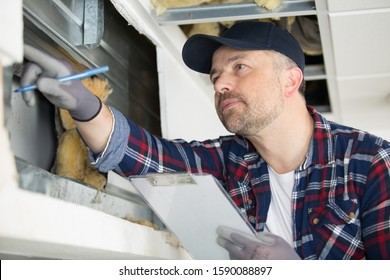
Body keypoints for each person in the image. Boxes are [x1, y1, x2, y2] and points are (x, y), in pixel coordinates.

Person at [20, 21, 390, 260]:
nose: (220, 83)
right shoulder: (230, 161)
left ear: (290, 81)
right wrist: (83, 103)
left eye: (239, 67)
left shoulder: (372, 163)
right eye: (215, 75)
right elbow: (144, 156)